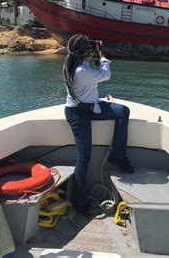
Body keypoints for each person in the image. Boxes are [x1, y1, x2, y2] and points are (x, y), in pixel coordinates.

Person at [62, 34, 134, 214]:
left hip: (91, 106)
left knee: (122, 111)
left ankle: (118, 155)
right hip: (78, 113)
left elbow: (89, 71)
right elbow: (106, 75)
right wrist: (102, 55)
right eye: (89, 49)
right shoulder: (81, 71)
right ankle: (79, 202)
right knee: (84, 157)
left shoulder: (74, 65)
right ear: (85, 52)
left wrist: (89, 55)